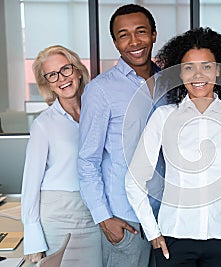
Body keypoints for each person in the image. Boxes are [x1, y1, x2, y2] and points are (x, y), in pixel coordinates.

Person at [125, 27, 221, 267]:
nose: (198, 75)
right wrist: (152, 232)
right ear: (180, 74)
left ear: (218, 70)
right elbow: (134, 180)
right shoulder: (163, 117)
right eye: (189, 68)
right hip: (174, 239)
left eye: (206, 66)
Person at [77, 4, 164, 267]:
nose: (134, 41)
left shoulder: (170, 83)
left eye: (141, 32)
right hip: (126, 219)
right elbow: (87, 160)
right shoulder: (100, 91)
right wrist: (104, 218)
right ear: (115, 42)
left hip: (167, 215)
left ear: (154, 35)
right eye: (124, 35)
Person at [21, 45, 101, 266]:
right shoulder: (43, 124)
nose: (61, 78)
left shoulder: (97, 114)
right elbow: (30, 184)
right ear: (47, 83)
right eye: (52, 75)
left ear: (76, 70)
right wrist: (33, 240)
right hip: (58, 215)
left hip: (93, 213)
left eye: (65, 69)